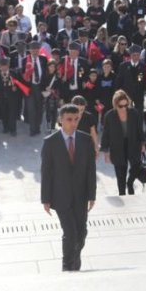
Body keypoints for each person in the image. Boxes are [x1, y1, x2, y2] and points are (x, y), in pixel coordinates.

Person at [41, 103, 97, 271]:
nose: (73, 123)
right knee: (70, 233)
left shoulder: (86, 140)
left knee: (81, 233)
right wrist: (46, 199)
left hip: (80, 196)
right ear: (60, 120)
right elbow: (46, 172)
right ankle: (67, 265)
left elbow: (90, 170)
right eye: (69, 119)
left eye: (76, 119)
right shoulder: (50, 142)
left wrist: (92, 195)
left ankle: (75, 258)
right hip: (60, 197)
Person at [101, 90, 145, 196]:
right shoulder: (109, 116)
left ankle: (129, 183)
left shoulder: (134, 113)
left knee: (136, 166)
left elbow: (140, 129)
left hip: (133, 144)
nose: (124, 108)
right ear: (115, 104)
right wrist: (106, 152)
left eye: (126, 105)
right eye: (121, 106)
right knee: (120, 173)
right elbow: (105, 134)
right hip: (117, 146)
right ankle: (122, 193)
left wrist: (143, 144)